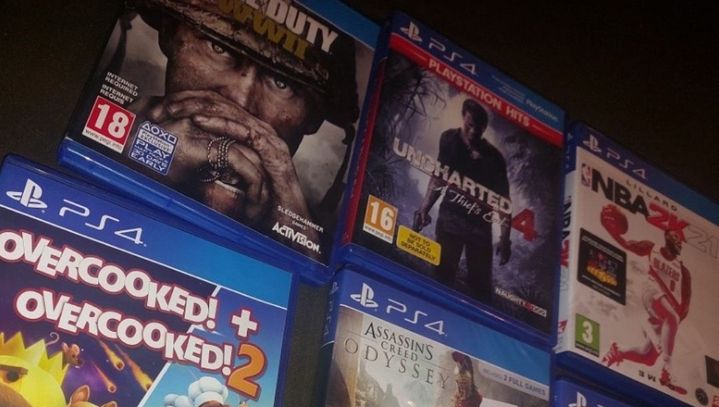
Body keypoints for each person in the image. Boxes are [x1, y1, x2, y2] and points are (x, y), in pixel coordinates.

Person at [121, 0, 361, 259]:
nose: (240, 101)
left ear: (314, 118)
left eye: (282, 83)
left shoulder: (317, 236)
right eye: (219, 48)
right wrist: (124, 166)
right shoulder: (110, 125)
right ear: (169, 33)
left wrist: (302, 249)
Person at [414, 99, 511, 301]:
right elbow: (439, 177)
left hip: (480, 230)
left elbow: (503, 202)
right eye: (470, 125)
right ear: (463, 119)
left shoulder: (495, 159)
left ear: (484, 128)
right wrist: (424, 209)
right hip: (450, 220)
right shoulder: (449, 139)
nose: (473, 131)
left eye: (479, 128)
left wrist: (505, 239)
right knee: (442, 277)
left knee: (480, 290)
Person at [599, 203, 691, 394]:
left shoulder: (684, 271)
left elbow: (685, 304)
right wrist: (611, 230)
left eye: (681, 241)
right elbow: (626, 244)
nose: (679, 242)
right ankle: (668, 370)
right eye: (676, 237)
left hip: (665, 311)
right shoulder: (652, 248)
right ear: (667, 236)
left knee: (647, 356)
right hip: (651, 292)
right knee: (671, 316)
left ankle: (618, 351)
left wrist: (672, 325)